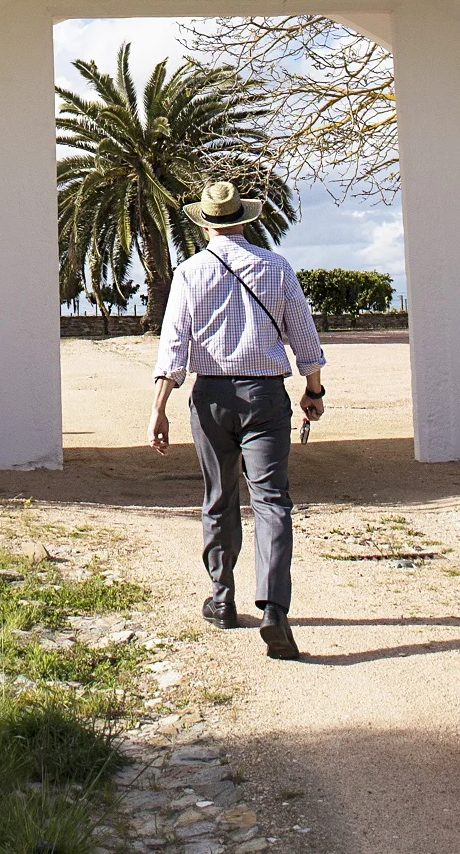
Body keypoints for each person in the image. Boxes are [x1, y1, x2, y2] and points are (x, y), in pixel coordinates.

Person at [149, 178, 326, 660]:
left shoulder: (189, 273)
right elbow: (304, 336)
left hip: (210, 397)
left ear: (205, 225)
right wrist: (313, 390)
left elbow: (174, 346)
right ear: (245, 221)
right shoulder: (276, 267)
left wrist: (159, 408)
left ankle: (223, 599)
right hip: (265, 395)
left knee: (219, 497)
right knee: (272, 501)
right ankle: (274, 609)